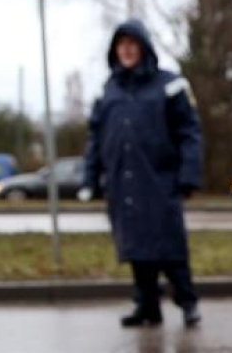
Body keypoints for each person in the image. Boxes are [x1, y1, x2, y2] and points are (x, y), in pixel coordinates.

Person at [82, 19, 204, 328]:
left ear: (144, 48)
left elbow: (189, 132)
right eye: (120, 45)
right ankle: (147, 305)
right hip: (123, 183)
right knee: (134, 247)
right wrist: (90, 177)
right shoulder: (108, 90)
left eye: (132, 44)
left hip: (160, 180)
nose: (126, 50)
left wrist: (189, 175)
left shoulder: (170, 84)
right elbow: (95, 137)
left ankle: (187, 302)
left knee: (170, 247)